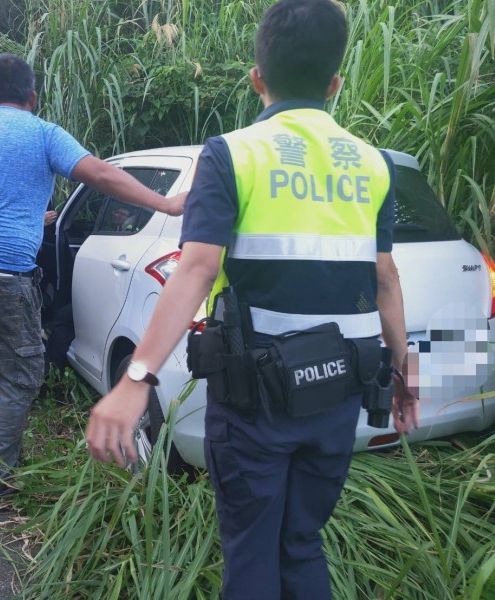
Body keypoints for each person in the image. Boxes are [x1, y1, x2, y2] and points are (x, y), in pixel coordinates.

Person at [85, 1, 419, 598]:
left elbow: (196, 268)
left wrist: (137, 379)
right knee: (302, 542)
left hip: (255, 398)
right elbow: (387, 278)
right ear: (335, 84)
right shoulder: (373, 164)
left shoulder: (232, 152)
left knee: (253, 550)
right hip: (341, 392)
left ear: (256, 78)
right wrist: (405, 371)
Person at [0, 53, 185, 503]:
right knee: (17, 376)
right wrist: (167, 204)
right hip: (2, 277)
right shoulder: (42, 133)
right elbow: (100, 174)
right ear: (33, 96)